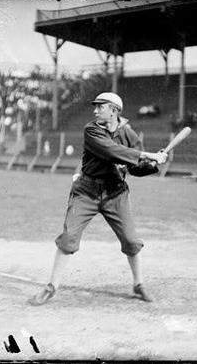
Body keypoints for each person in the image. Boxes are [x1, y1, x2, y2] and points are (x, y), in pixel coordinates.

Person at [29, 92, 168, 305]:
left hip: (116, 193)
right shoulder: (92, 129)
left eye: (99, 107)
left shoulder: (128, 134)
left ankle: (139, 285)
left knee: (131, 241)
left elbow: (134, 168)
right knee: (68, 238)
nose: (95, 111)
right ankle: (51, 287)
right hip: (86, 192)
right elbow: (111, 151)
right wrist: (148, 155)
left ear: (113, 110)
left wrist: (152, 164)